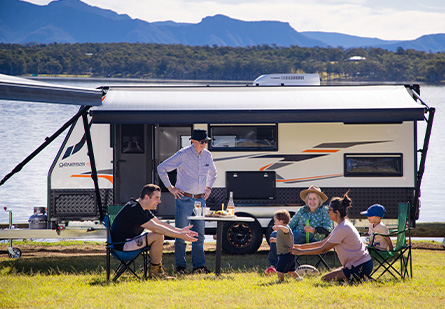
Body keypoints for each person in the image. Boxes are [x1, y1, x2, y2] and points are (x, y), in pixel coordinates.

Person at [157, 128, 217, 274]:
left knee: (200, 235)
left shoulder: (207, 155)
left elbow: (213, 173)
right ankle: (180, 267)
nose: (204, 144)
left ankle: (199, 267)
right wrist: (171, 188)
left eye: (206, 142)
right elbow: (161, 168)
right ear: (193, 141)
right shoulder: (183, 154)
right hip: (184, 199)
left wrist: (208, 188)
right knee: (181, 235)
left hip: (200, 201)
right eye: (202, 142)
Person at [110, 184, 198, 279]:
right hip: (122, 246)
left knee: (158, 235)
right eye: (156, 198)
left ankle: (156, 271)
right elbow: (156, 228)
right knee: (157, 236)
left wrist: (180, 230)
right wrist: (180, 235)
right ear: (147, 197)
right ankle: (155, 273)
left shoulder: (141, 207)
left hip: (128, 241)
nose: (159, 201)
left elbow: (159, 223)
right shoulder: (134, 209)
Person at [290, 191, 373, 282]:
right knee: (327, 277)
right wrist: (298, 247)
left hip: (360, 266)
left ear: (336, 212)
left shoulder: (342, 228)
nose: (327, 212)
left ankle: (360, 278)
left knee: (324, 279)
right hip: (359, 264)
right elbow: (322, 242)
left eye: (329, 210)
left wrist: (300, 252)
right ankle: (357, 278)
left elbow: (323, 249)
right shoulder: (341, 225)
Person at [265, 185, 333, 274]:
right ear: (307, 200)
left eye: (314, 199)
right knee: (275, 234)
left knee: (295, 235)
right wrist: (281, 229)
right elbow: (291, 225)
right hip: (297, 237)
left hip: (315, 240)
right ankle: (274, 266)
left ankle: (287, 266)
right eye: (310, 199)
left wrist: (314, 230)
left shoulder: (324, 211)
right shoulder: (302, 210)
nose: (312, 201)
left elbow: (329, 229)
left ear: (319, 200)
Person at [272, 209, 303, 282]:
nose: (274, 222)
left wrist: (279, 227)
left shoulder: (285, 228)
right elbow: (283, 240)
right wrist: (275, 240)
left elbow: (286, 230)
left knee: (279, 269)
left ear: (281, 221)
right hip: (288, 254)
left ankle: (281, 281)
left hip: (286, 253)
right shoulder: (281, 230)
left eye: (275, 221)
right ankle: (299, 279)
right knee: (291, 270)